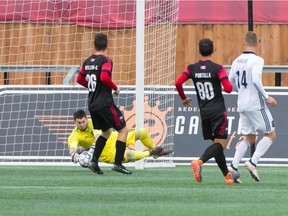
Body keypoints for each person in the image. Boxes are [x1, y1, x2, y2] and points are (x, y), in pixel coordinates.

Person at [175, 38, 239, 185]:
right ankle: (200, 161)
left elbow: (178, 83)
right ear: (213, 50)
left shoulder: (191, 68)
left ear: (199, 51)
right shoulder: (218, 68)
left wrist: (184, 98)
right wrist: (223, 80)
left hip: (204, 112)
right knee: (220, 145)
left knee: (216, 146)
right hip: (217, 111)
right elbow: (229, 89)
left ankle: (227, 176)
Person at [76, 33, 130, 175]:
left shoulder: (87, 61)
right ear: (107, 46)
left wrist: (93, 87)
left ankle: (94, 161)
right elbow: (104, 76)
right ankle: (118, 164)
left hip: (92, 103)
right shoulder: (106, 60)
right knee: (123, 130)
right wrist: (115, 88)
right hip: (104, 102)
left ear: (94, 45)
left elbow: (79, 79)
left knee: (106, 131)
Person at [228, 31, 277, 182]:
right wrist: (266, 96)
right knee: (270, 134)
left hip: (241, 104)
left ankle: (233, 165)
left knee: (249, 137)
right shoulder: (257, 60)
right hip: (255, 104)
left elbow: (231, 81)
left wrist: (241, 91)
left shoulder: (236, 60)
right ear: (257, 44)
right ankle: (253, 162)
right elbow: (256, 79)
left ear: (244, 43)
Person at [69, 109, 173, 165]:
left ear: (86, 119)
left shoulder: (93, 123)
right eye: (79, 123)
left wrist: (92, 149)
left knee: (142, 132)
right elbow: (72, 147)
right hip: (107, 154)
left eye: (83, 121)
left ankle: (155, 152)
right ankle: (150, 153)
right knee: (130, 155)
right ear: (75, 122)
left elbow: (97, 135)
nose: (82, 124)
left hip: (115, 137)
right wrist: (74, 155)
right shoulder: (75, 135)